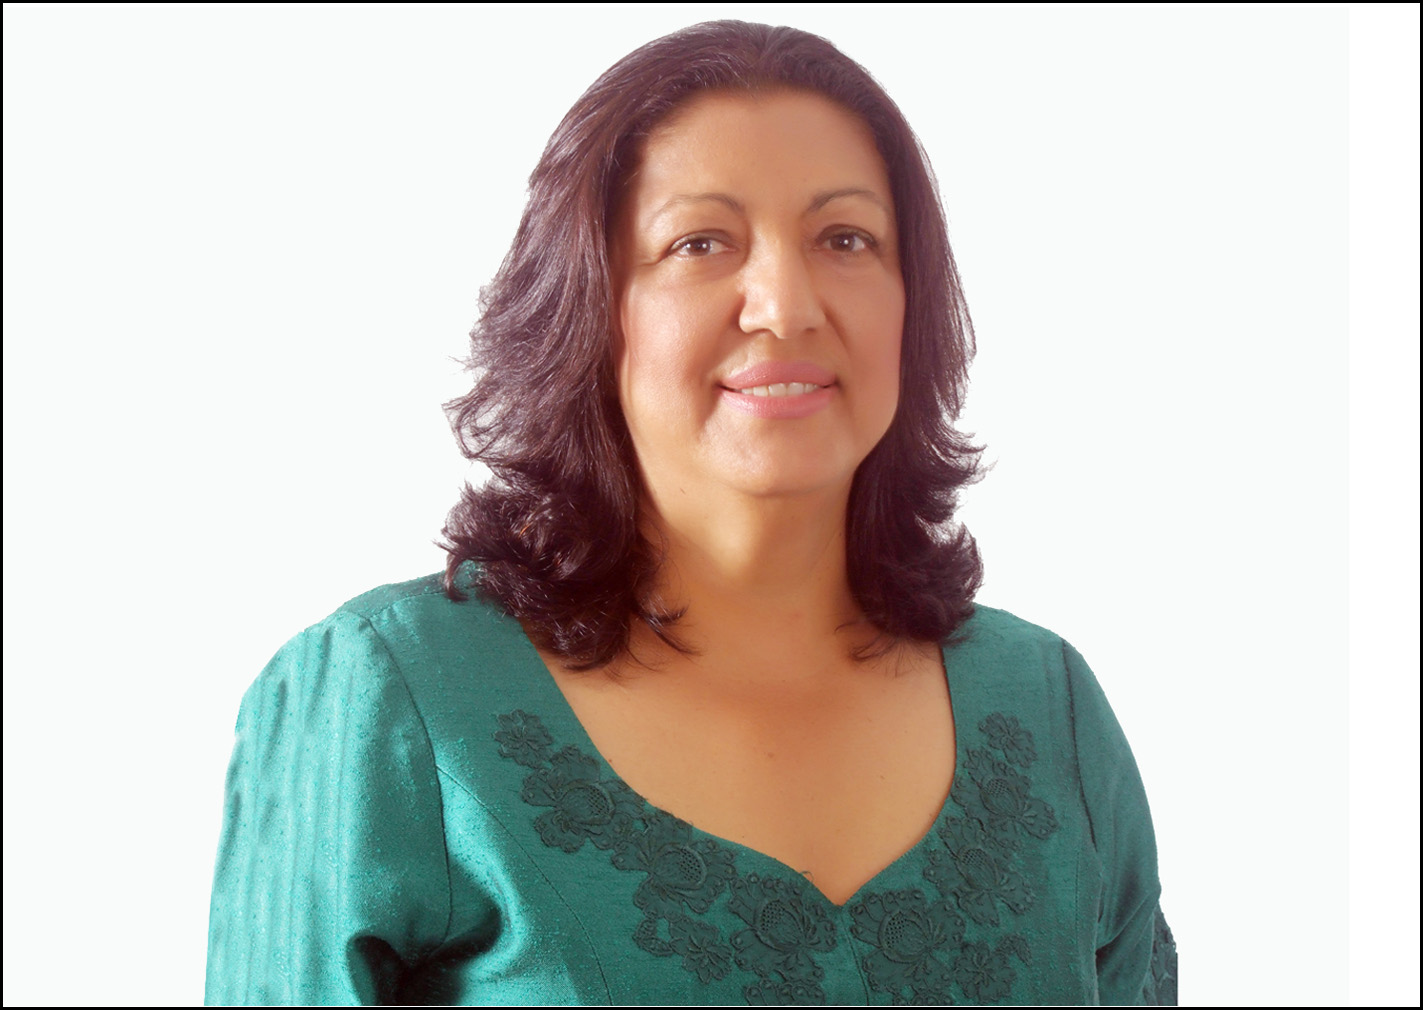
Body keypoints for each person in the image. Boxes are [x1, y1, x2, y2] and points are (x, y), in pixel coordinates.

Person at [204, 20, 1176, 1006]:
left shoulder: (1046, 708)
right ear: (588, 305)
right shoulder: (385, 697)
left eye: (845, 239)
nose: (785, 305)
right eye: (699, 242)